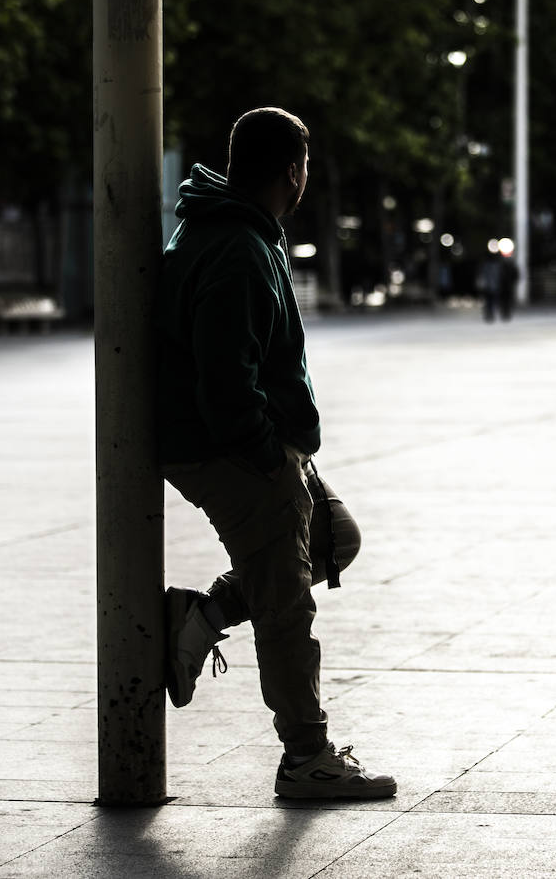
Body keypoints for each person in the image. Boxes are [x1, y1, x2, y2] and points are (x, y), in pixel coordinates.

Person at [154, 107, 396, 800]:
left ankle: (200, 619)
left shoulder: (235, 231)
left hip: (249, 443)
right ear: (294, 170)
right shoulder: (235, 246)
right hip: (230, 450)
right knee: (286, 602)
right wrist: (268, 456)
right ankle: (307, 755)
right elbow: (226, 378)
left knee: (333, 537)